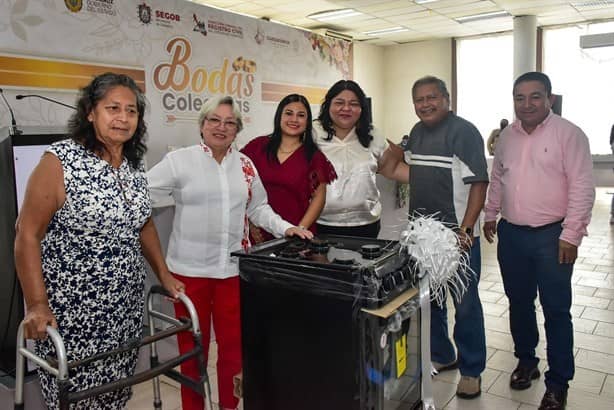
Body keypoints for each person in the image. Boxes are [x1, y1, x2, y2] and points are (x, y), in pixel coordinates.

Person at [14, 72, 184, 409]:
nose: (123, 118)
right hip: (75, 316)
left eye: (132, 110)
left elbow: (144, 222)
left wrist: (163, 274)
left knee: (118, 390)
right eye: (113, 108)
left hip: (125, 309)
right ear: (91, 112)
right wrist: (36, 304)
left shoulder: (134, 163)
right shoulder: (60, 161)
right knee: (77, 399)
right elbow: (27, 233)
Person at [146, 96, 313, 410]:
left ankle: (228, 406)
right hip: (188, 275)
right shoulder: (179, 161)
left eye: (229, 123)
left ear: (237, 129)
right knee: (192, 353)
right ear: (202, 125)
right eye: (214, 120)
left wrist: (286, 227)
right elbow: (143, 195)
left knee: (234, 352)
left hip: (232, 272)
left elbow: (259, 207)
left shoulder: (245, 165)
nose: (221, 128)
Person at [484, 72, 595, 410]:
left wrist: (571, 234)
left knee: (557, 310)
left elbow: (582, 187)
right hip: (513, 234)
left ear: (549, 98)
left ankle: (558, 382)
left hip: (553, 237)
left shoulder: (570, 134)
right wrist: (491, 213)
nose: (527, 104)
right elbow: (498, 177)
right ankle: (526, 361)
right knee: (518, 302)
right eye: (520, 97)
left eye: (535, 96)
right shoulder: (507, 138)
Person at [402, 75, 489, 399]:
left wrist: (466, 230)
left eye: (432, 97)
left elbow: (479, 184)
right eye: (419, 99)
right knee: (432, 301)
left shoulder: (463, 132)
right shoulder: (417, 133)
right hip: (423, 237)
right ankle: (443, 354)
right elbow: (411, 172)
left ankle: (472, 370)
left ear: (446, 98)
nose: (425, 104)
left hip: (456, 237)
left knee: (465, 304)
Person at [314, 80, 409, 238]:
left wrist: (431, 175)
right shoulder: (312, 133)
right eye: (339, 102)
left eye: (353, 103)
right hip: (320, 224)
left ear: (361, 108)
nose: (346, 108)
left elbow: (391, 168)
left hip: (364, 225)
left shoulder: (372, 135)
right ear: (328, 105)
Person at [241, 93, 336, 242]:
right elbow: (240, 187)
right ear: (279, 116)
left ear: (307, 122)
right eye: (289, 113)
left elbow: (319, 198)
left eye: (301, 115)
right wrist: (250, 223)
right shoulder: (257, 147)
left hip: (296, 235)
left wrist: (299, 231)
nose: (294, 119)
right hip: (257, 231)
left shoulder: (313, 156)